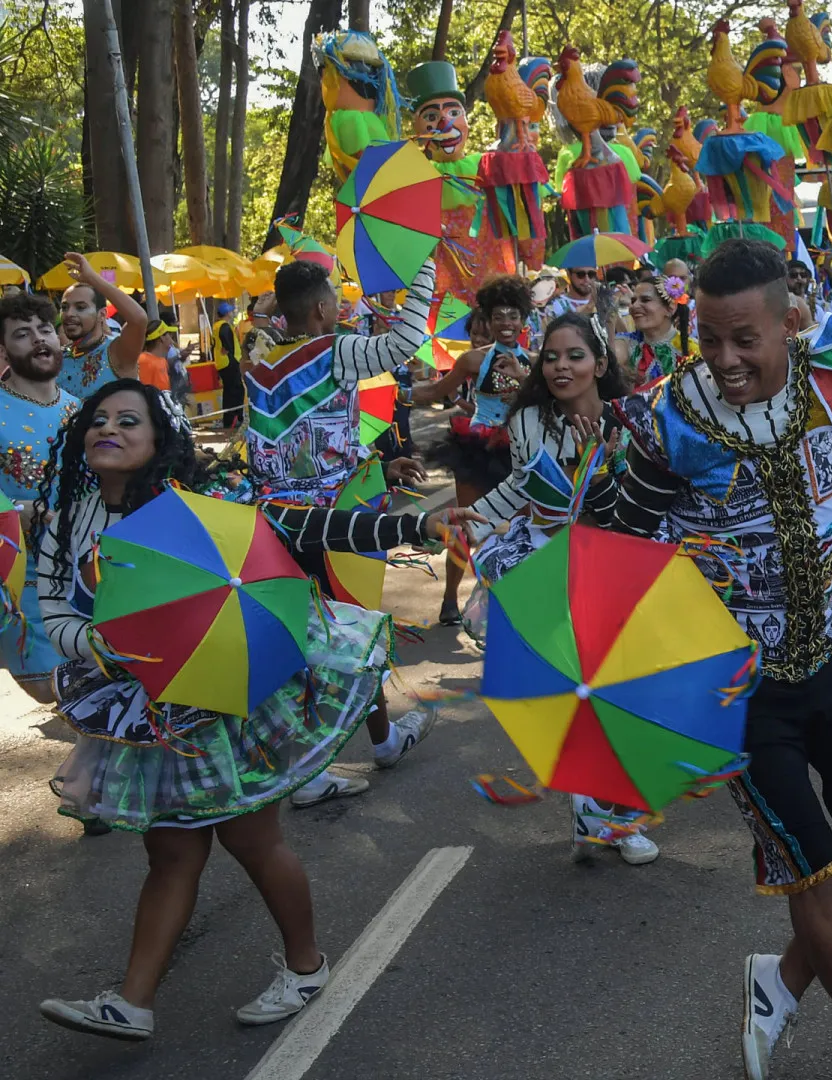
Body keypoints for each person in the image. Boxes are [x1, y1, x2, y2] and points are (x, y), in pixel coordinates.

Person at [603, 97, 832, 1080]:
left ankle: (780, 982)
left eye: (744, 340)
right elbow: (612, 544)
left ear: (790, 324)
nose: (725, 361)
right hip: (738, 693)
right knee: (815, 868)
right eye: (709, 339)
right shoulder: (667, 421)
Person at [32, 378, 476, 1042]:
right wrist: (102, 643)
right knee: (171, 854)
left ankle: (306, 966)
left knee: (251, 841)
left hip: (222, 696)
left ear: (160, 440)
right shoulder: (66, 519)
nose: (109, 428)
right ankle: (131, 1002)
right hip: (144, 710)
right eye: (98, 419)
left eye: (129, 420)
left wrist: (413, 522)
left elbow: (304, 525)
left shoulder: (198, 503)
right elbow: (53, 610)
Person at [457, 312, 658, 866]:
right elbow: (519, 488)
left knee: (628, 695)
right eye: (550, 356)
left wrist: (603, 465)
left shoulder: (630, 419)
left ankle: (618, 813)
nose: (560, 367)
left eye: (574, 356)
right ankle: (596, 813)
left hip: (620, 565)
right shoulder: (528, 421)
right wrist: (468, 518)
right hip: (551, 569)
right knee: (583, 692)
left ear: (598, 362)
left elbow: (644, 501)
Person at [243, 258, 437, 807]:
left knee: (342, 630)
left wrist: (377, 464)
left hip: (274, 519)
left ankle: (382, 741)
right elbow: (405, 341)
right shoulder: (334, 350)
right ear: (324, 308)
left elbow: (308, 437)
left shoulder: (257, 353)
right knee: (341, 635)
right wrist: (420, 265)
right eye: (334, 299)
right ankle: (307, 773)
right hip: (323, 526)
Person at [411, 275, 533, 625]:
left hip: (521, 451)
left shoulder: (538, 362)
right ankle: (450, 600)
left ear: (523, 321)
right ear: (489, 321)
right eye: (498, 316)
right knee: (467, 525)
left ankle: (516, 602)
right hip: (477, 448)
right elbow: (434, 392)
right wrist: (397, 392)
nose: (506, 323)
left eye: (513, 315)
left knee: (526, 527)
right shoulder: (471, 361)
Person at [0, 292, 80, 704]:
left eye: (45, 329)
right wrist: (20, 511)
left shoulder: (81, 411)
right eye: (22, 334)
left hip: (83, 576)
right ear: (3, 350)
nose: (38, 340)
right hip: (21, 580)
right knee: (50, 690)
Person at [56, 252, 147, 401]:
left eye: (80, 307)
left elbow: (139, 319)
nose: (69, 313)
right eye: (65, 307)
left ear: (102, 314)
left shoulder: (117, 352)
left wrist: (93, 278)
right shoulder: (58, 358)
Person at [615, 273, 693, 382]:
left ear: (670, 308)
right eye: (633, 301)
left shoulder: (693, 350)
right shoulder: (625, 343)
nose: (634, 306)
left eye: (645, 300)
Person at [207, 301, 246, 430]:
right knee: (236, 390)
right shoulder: (224, 326)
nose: (232, 313)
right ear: (227, 313)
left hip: (222, 362)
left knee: (229, 391)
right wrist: (228, 350)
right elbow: (226, 339)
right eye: (230, 311)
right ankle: (235, 418)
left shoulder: (216, 326)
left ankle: (229, 419)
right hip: (229, 361)